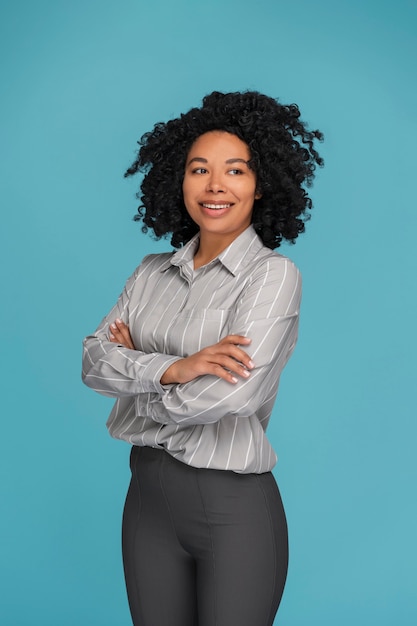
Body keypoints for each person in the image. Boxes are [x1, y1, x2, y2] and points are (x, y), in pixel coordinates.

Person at [82, 90, 323, 626]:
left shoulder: (273, 277)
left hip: (232, 507)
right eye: (199, 169)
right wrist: (174, 368)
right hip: (145, 500)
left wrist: (137, 375)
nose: (215, 186)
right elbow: (93, 362)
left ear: (261, 184)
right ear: (179, 180)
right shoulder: (149, 273)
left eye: (235, 170)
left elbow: (234, 393)